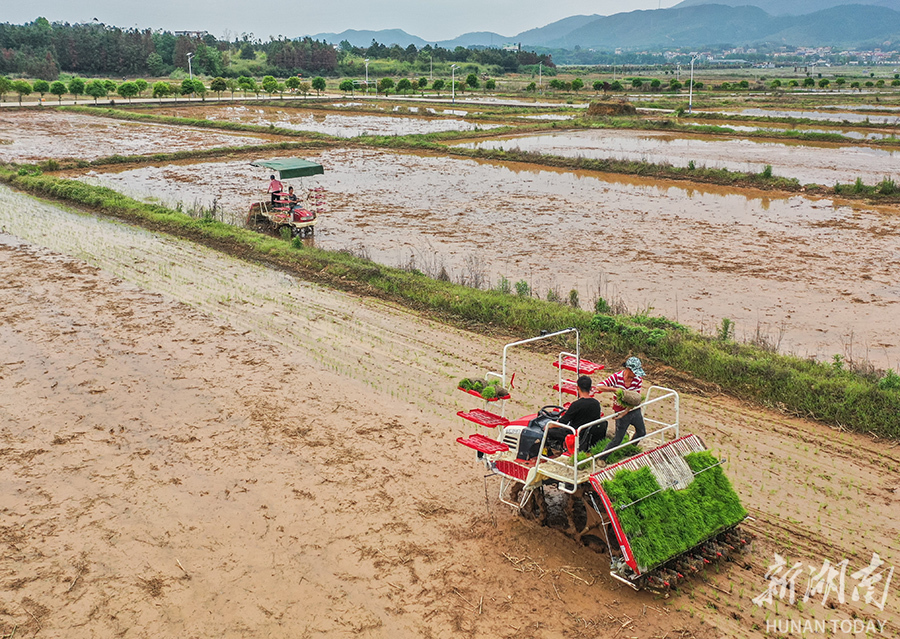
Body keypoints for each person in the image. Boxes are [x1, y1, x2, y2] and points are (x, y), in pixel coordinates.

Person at [596, 357, 646, 457]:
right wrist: (615, 390)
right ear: (628, 369)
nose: (636, 375)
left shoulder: (637, 380)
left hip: (633, 410)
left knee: (641, 432)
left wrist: (626, 411)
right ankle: (602, 457)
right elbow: (599, 386)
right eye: (634, 372)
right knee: (618, 439)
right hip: (620, 411)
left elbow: (635, 399)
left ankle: (630, 447)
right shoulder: (616, 377)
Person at [545, 375, 603, 454]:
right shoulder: (596, 404)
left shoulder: (576, 405)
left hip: (575, 435)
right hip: (587, 434)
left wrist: (550, 425)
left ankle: (554, 451)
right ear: (590, 388)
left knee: (549, 431)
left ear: (578, 388)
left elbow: (563, 422)